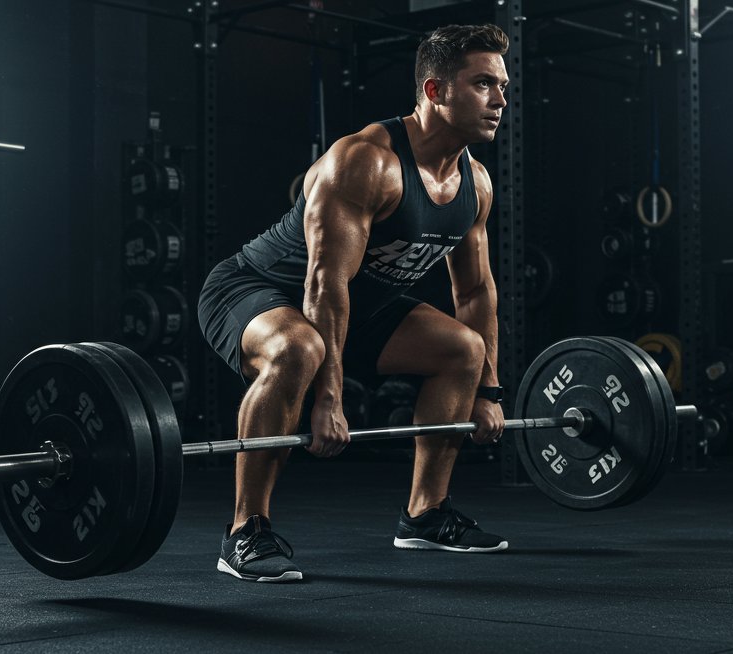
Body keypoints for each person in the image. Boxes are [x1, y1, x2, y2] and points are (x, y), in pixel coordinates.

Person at [197, 23, 511, 583]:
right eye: (483, 84)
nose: (500, 100)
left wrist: (487, 390)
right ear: (435, 90)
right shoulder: (366, 161)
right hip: (255, 289)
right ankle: (245, 530)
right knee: (299, 348)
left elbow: (475, 291)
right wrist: (328, 398)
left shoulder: (476, 184)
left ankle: (425, 514)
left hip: (356, 305)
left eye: (502, 86)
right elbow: (325, 283)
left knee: (462, 350)